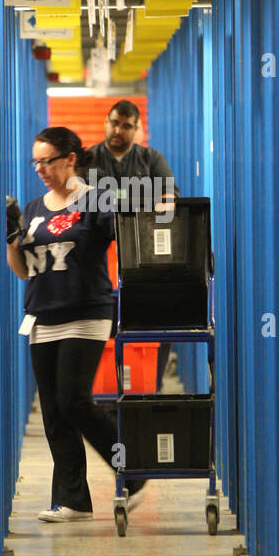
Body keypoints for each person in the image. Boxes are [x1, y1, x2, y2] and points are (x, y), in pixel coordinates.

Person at [5, 126, 148, 522]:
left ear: (70, 158)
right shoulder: (33, 209)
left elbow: (125, 233)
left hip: (85, 314)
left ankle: (131, 469)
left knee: (74, 400)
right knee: (53, 411)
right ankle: (73, 499)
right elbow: (22, 272)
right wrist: (11, 238)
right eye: (36, 162)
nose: (40, 169)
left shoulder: (95, 201)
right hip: (41, 316)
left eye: (47, 160)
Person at [88, 99, 177, 391]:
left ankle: (148, 388)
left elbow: (170, 202)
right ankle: (105, 394)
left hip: (143, 267)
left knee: (152, 329)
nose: (119, 130)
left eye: (127, 126)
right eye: (114, 123)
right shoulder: (88, 161)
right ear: (106, 122)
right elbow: (77, 208)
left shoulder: (151, 160)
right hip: (98, 271)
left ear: (136, 129)